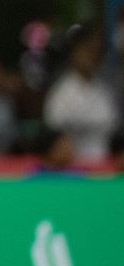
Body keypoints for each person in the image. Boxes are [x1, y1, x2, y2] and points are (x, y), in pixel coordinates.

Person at [43, 25, 118, 166]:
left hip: (103, 166)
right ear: (73, 54)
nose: (91, 58)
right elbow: (53, 130)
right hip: (70, 169)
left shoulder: (105, 92)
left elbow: (113, 128)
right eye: (86, 51)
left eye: (95, 52)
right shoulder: (61, 92)